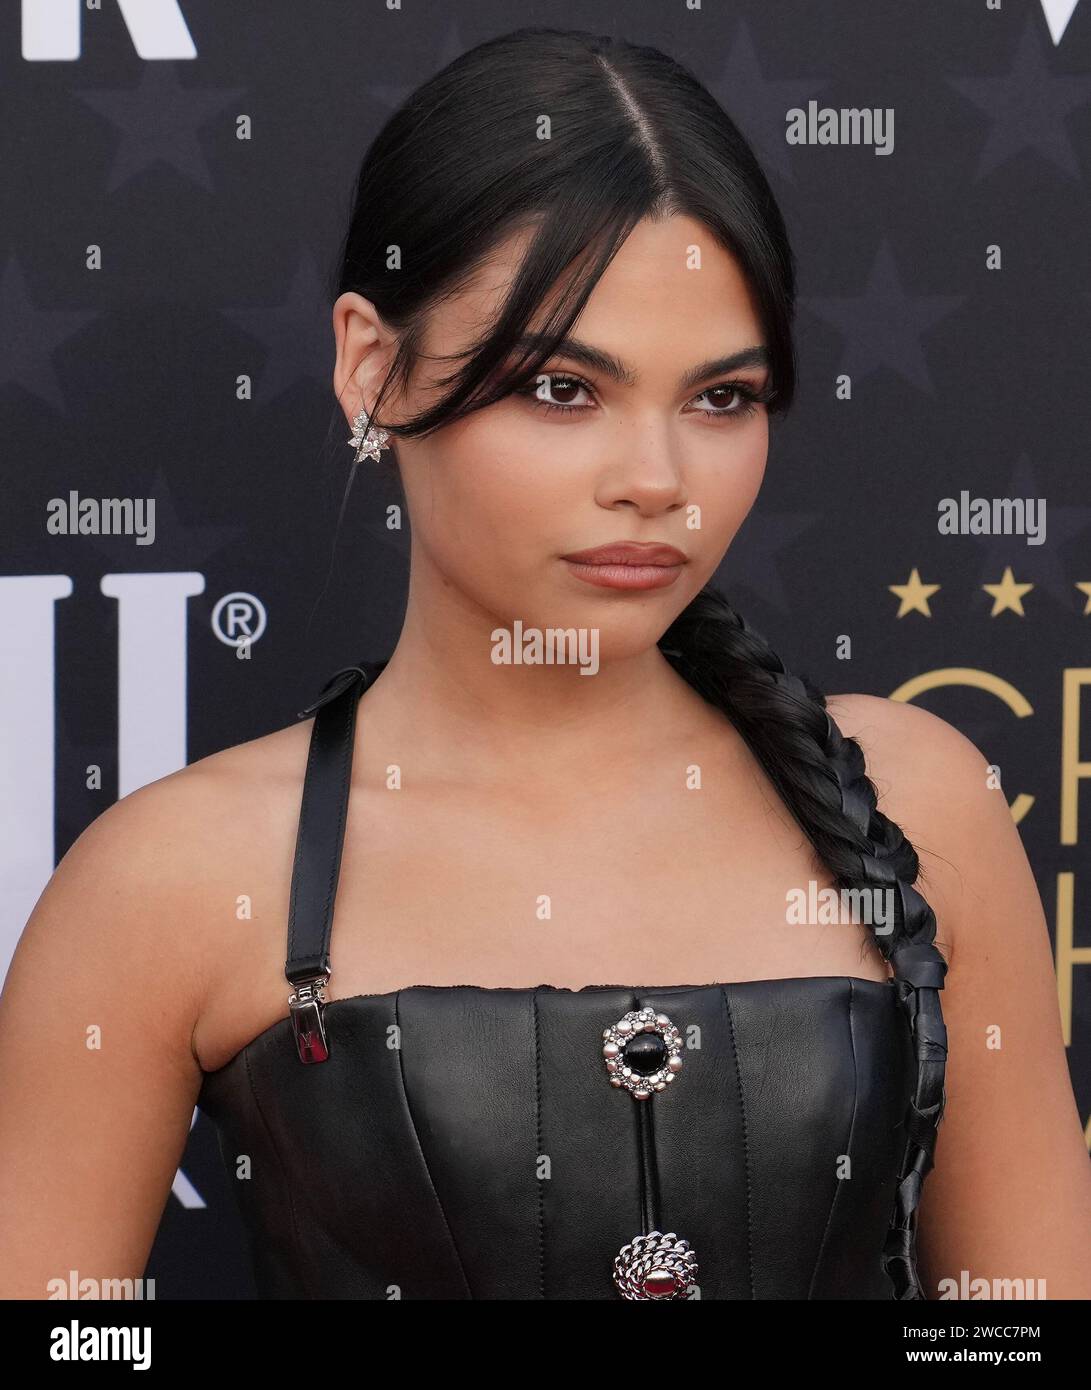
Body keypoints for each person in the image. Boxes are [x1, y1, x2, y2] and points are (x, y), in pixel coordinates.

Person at [2, 26, 1089, 1302]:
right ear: (370, 369)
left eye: (720, 398)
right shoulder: (175, 877)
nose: (656, 481)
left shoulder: (913, 797)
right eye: (563, 388)